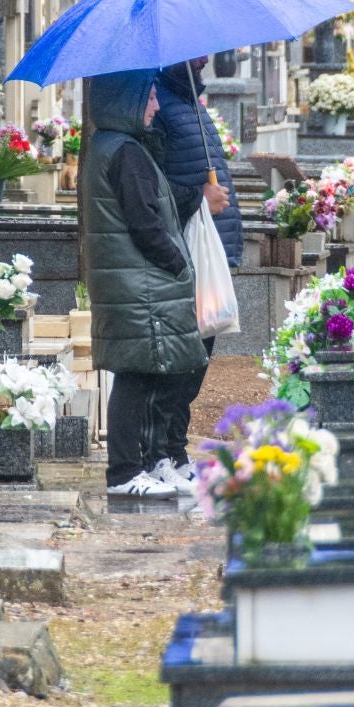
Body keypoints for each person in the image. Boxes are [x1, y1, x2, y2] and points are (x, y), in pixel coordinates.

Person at [80, 68, 208, 498]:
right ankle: (123, 473)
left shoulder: (110, 146)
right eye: (149, 97)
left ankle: (138, 467)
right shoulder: (126, 153)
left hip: (130, 280)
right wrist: (177, 263)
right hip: (140, 282)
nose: (156, 105)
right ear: (127, 101)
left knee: (138, 374)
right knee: (136, 376)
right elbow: (145, 223)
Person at [148, 57, 240, 494]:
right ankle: (163, 452)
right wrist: (198, 198)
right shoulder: (163, 103)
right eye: (196, 51)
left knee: (198, 359)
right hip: (187, 249)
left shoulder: (192, 101)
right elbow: (154, 186)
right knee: (183, 360)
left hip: (212, 247)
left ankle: (176, 450)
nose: (204, 56)